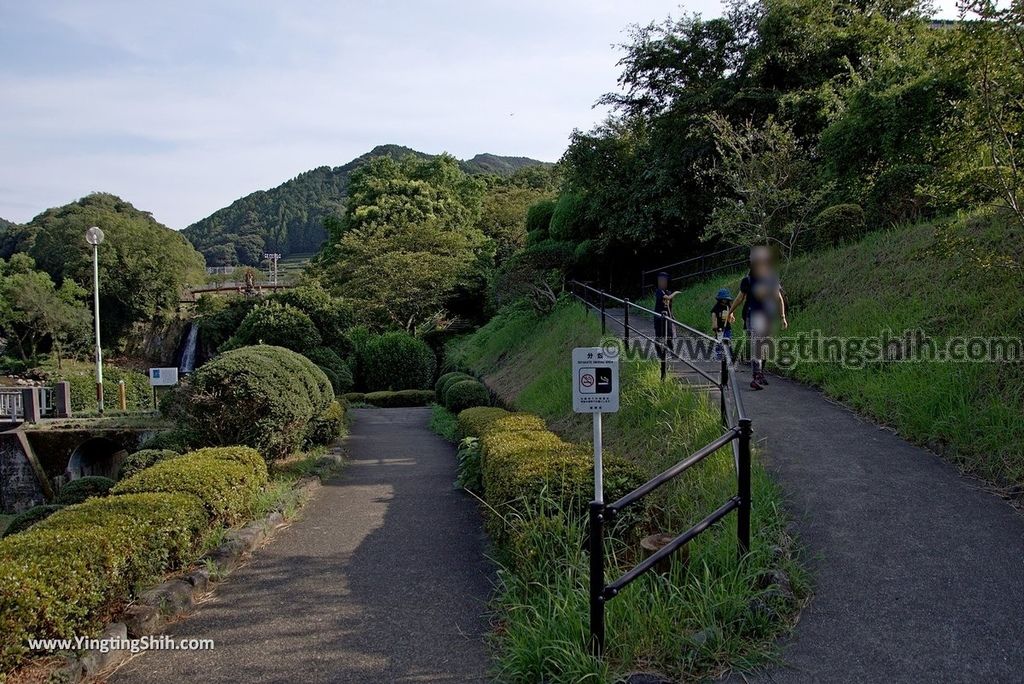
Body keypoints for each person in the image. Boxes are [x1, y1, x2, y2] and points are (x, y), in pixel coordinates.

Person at [727, 247, 787, 390]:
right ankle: (756, 376)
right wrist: (730, 311)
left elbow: (778, 298)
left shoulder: (771, 278)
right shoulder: (747, 280)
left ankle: (760, 373)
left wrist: (783, 316)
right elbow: (740, 298)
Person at [653, 271, 677, 358]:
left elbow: (669, 306)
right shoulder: (659, 291)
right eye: (660, 280)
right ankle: (659, 353)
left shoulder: (668, 292)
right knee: (659, 335)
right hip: (658, 317)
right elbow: (667, 298)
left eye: (664, 280)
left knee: (669, 335)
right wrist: (676, 292)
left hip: (667, 317)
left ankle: (672, 352)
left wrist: (672, 316)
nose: (662, 282)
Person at [711, 287, 734, 361]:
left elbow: (731, 313)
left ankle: (728, 355)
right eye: (723, 299)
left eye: (726, 299)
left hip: (727, 327)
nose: (725, 300)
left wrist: (732, 317)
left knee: (728, 340)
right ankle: (719, 354)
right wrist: (714, 325)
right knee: (719, 341)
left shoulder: (728, 306)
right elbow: (714, 315)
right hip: (719, 328)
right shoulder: (716, 307)